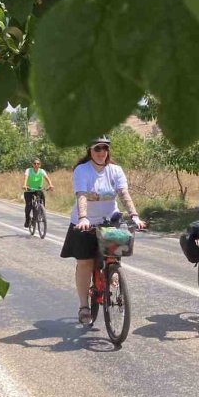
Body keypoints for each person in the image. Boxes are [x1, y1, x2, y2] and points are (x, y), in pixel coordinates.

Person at [59, 136, 145, 325]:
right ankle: (84, 306)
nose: (101, 152)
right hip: (85, 224)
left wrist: (134, 216)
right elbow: (81, 195)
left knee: (114, 258)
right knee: (85, 264)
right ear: (90, 150)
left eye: (104, 148)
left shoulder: (115, 170)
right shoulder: (82, 170)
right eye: (97, 148)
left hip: (109, 221)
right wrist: (83, 218)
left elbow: (123, 193)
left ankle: (112, 278)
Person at [23, 157, 55, 227]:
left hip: (38, 189)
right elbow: (26, 178)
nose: (36, 165)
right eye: (35, 163)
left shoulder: (42, 171)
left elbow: (47, 178)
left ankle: (39, 213)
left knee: (42, 201)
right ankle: (27, 219)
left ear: (40, 165)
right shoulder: (28, 170)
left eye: (38, 164)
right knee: (28, 205)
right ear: (32, 164)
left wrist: (50, 185)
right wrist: (25, 185)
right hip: (29, 189)